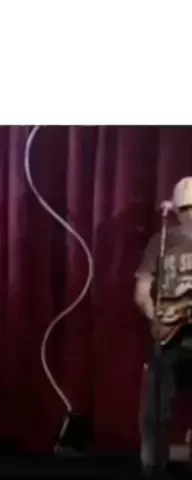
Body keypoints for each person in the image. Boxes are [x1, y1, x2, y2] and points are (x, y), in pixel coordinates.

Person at [135, 176, 192, 477]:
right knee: (156, 410)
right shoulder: (160, 241)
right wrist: (153, 316)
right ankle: (153, 466)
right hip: (168, 335)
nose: (190, 215)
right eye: (185, 209)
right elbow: (142, 290)